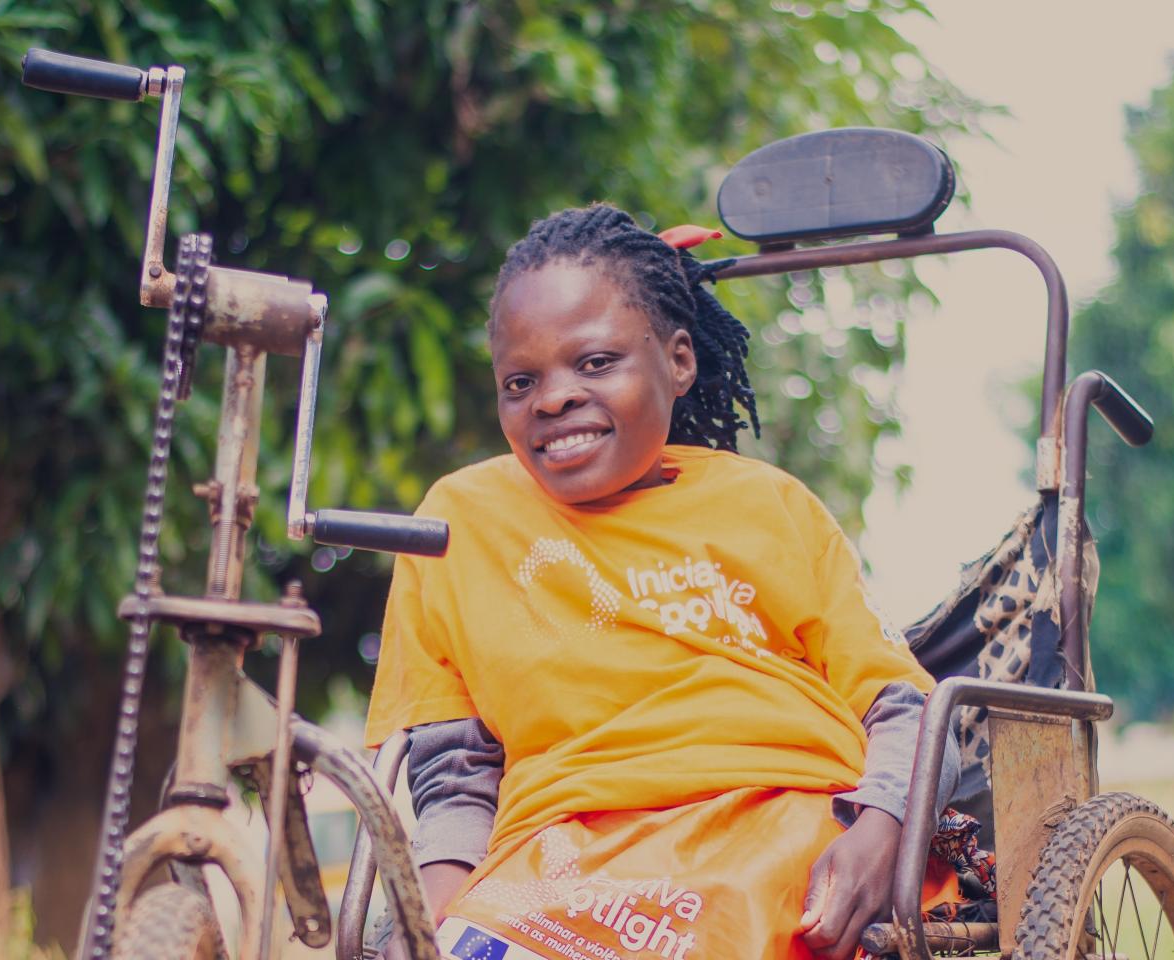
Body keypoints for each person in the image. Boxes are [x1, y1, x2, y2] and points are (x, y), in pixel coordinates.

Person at [365, 203, 963, 960]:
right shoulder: (458, 523)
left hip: (773, 815)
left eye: (594, 363)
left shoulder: (767, 505)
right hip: (561, 847)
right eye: (521, 381)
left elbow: (901, 704)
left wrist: (881, 831)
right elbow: (455, 772)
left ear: (678, 360)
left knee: (719, 925)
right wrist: (432, 915)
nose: (552, 399)